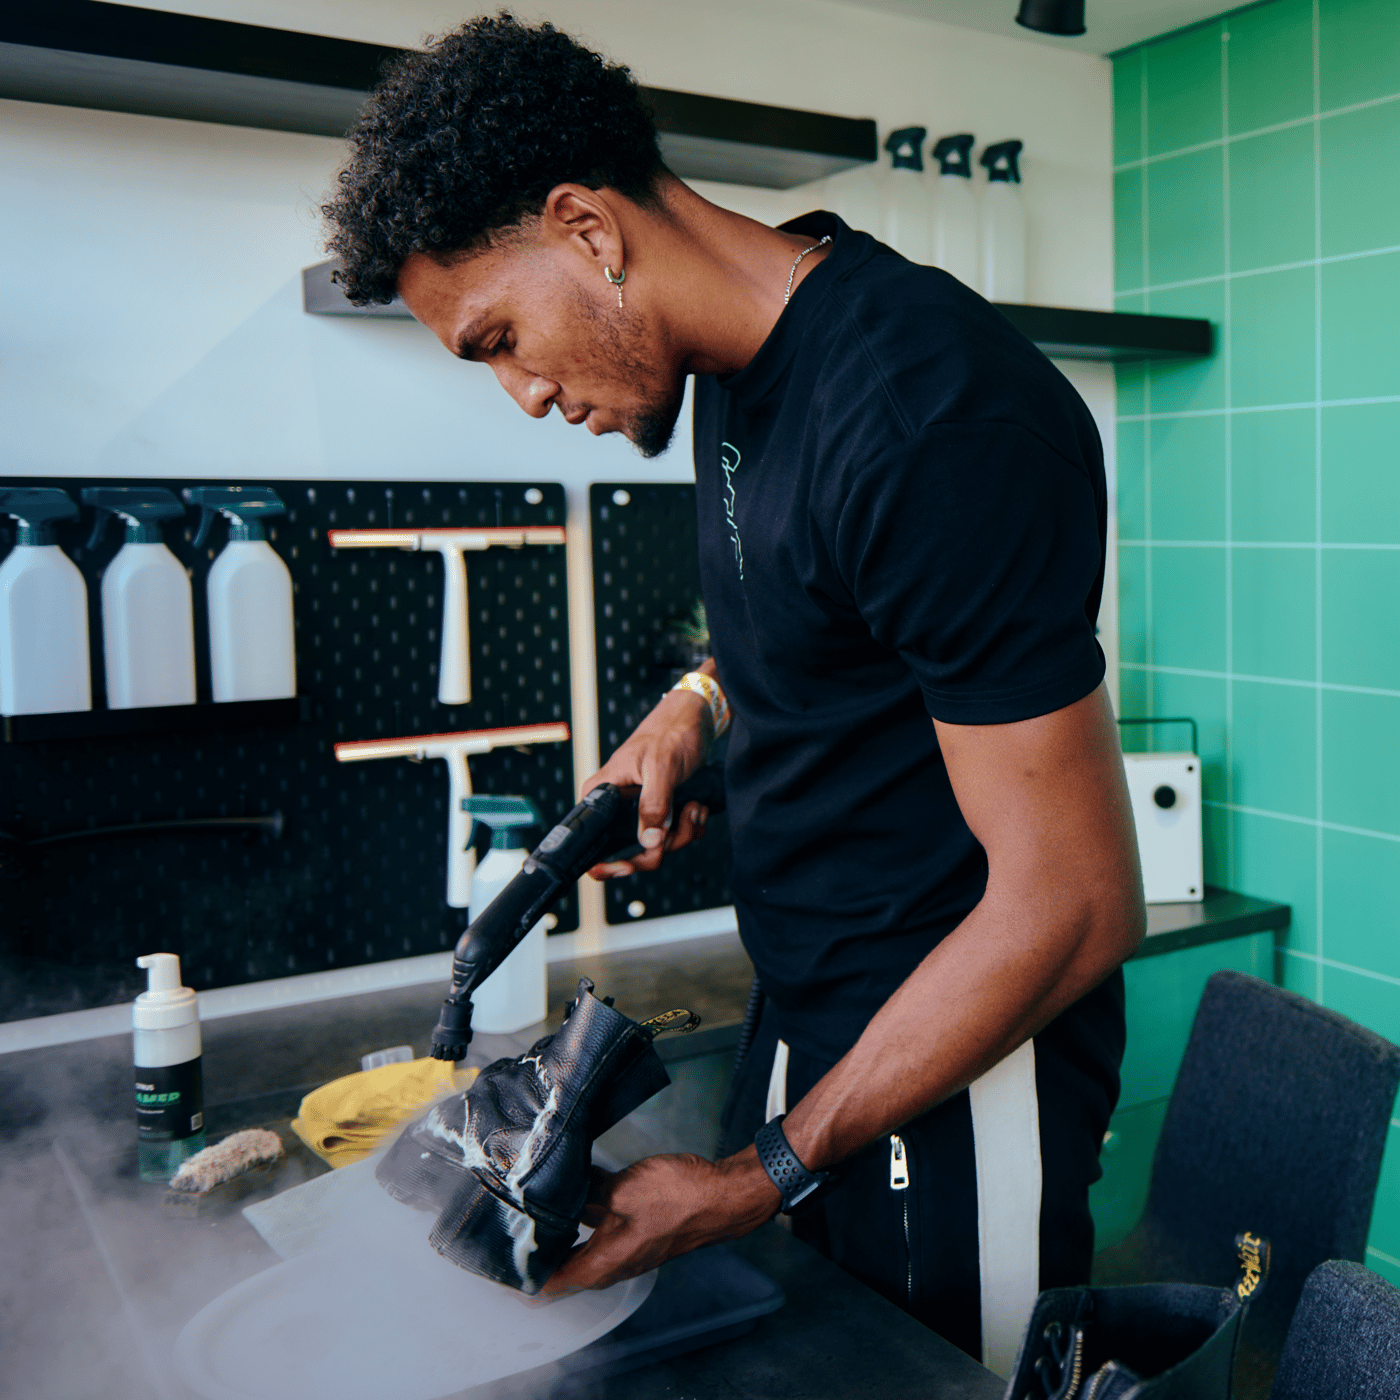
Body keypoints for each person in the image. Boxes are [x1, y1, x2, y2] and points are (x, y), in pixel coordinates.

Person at [322, 13, 1145, 1370]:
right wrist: (695, 708)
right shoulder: (737, 370)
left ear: (587, 226)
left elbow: (1074, 902)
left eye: (499, 338)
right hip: (820, 1019)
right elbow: (815, 615)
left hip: (966, 1070)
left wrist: (757, 1175)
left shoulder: (933, 418)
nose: (523, 396)